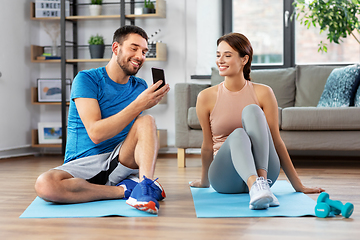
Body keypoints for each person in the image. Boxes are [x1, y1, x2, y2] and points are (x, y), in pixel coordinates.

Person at [35, 25, 170, 214]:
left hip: (118, 160)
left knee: (147, 121)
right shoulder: (86, 79)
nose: (140, 56)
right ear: (116, 48)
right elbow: (96, 134)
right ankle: (124, 190)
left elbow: (138, 134)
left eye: (144, 51)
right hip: (84, 163)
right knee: (45, 184)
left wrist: (142, 106)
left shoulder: (140, 86)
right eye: (134, 48)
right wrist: (139, 104)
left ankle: (145, 185)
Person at [190, 32, 324, 210]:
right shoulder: (205, 97)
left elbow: (276, 141)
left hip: (266, 170)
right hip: (226, 176)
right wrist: (204, 182)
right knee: (238, 134)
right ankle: (256, 186)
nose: (220, 60)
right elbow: (207, 145)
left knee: (252, 110)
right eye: (218, 55)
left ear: (244, 59)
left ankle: (260, 184)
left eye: (227, 55)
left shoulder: (264, 92)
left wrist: (298, 185)